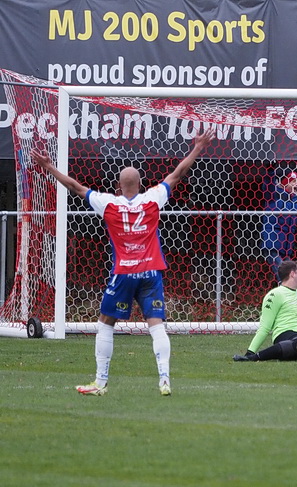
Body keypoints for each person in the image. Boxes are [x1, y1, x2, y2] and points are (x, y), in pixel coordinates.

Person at [30, 128, 216, 396]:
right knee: (156, 324)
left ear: (119, 186)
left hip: (124, 272)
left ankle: (101, 382)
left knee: (106, 322)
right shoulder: (153, 199)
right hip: (151, 272)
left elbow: (74, 186)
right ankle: (164, 378)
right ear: (140, 185)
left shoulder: (108, 203)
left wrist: (49, 167)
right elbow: (178, 174)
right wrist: (198, 147)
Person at [262, 170, 297, 284]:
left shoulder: (295, 202)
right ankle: (286, 301)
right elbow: (268, 184)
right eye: (293, 181)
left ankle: (286, 300)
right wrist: (270, 171)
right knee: (285, 278)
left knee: (289, 278)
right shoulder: (274, 195)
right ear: (284, 182)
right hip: (272, 244)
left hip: (286, 247)